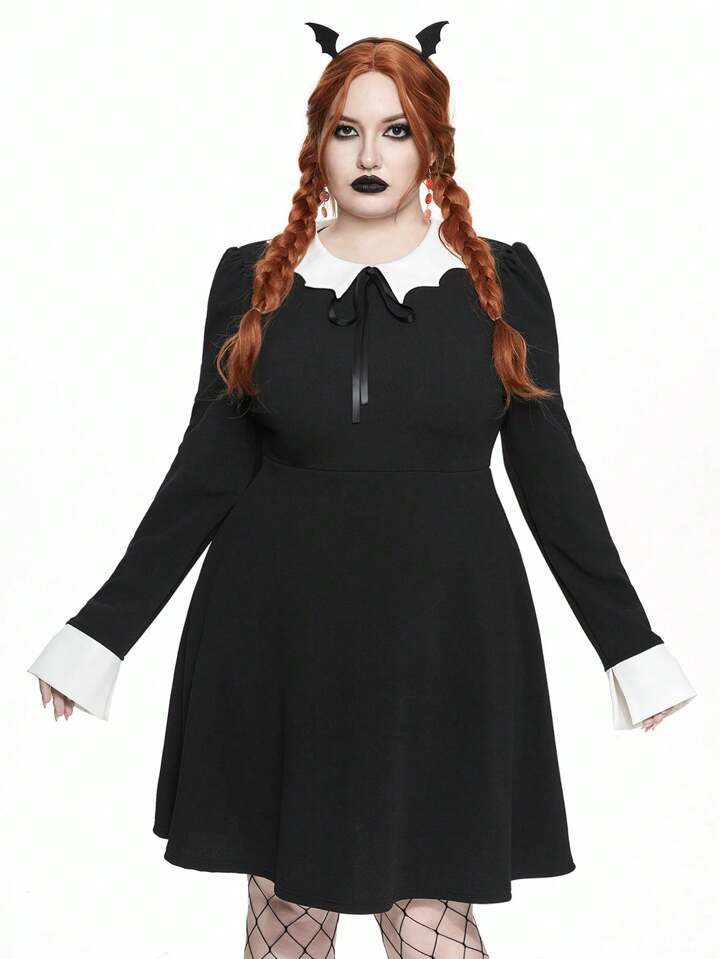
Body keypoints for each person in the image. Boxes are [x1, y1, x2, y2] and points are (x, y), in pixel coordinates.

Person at [27, 22, 697, 959]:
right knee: (286, 912)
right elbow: (204, 472)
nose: (370, 155)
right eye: (347, 131)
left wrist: (629, 646)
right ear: (318, 145)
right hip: (278, 632)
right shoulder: (253, 279)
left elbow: (551, 472)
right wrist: (99, 635)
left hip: (447, 637)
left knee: (427, 914)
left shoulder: (499, 281)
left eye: (395, 130)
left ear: (432, 146)